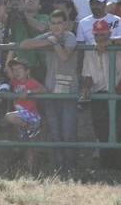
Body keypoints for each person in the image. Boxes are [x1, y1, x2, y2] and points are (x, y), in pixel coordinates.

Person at [19, 10, 78, 175]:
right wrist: (48, 42)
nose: (57, 26)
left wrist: (54, 43)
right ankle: (60, 169)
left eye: (60, 23)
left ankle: (71, 169)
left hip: (68, 92)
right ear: (50, 24)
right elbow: (23, 44)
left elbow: (65, 56)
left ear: (65, 24)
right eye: (54, 23)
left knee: (68, 134)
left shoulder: (70, 36)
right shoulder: (49, 37)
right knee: (55, 134)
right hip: (50, 90)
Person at [80, 18, 121, 171]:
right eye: (97, 36)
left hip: (119, 94)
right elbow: (88, 75)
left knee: (119, 131)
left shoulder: (120, 45)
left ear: (109, 34)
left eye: (103, 35)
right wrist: (85, 87)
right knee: (102, 132)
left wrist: (112, 42)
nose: (100, 39)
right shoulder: (90, 51)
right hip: (99, 95)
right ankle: (107, 168)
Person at [3, 58, 47, 173]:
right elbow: (7, 67)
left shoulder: (30, 81)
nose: (17, 72)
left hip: (30, 114)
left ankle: (28, 125)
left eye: (20, 69)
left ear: (27, 71)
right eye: (14, 70)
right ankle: (29, 169)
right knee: (28, 145)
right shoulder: (14, 81)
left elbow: (43, 89)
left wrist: (28, 92)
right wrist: (11, 50)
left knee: (9, 117)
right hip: (21, 115)